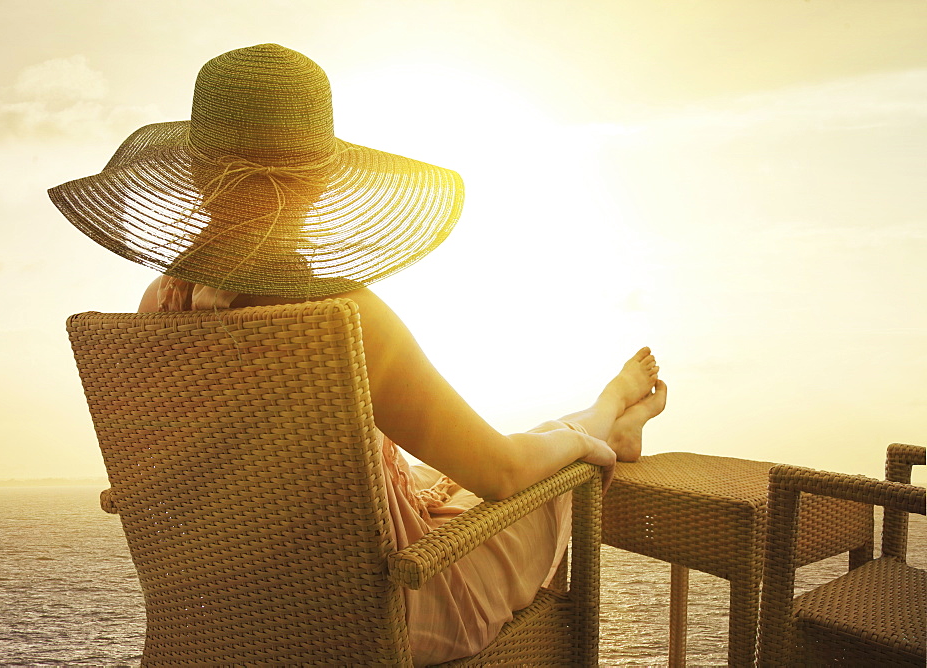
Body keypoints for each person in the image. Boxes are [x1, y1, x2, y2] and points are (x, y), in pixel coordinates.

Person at [50, 43, 667, 665]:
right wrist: (583, 449)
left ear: (197, 174)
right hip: (384, 615)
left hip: (228, 616)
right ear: (321, 180)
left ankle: (605, 414)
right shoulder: (342, 321)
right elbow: (499, 472)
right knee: (547, 461)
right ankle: (604, 419)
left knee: (491, 458)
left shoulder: (159, 306)